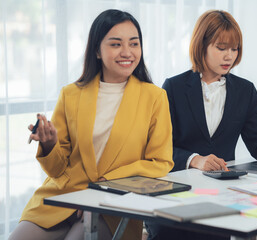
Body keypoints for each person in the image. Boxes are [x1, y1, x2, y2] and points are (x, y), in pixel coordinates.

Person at [9, 9, 174, 240]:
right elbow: (58, 169)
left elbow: (160, 162)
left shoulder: (155, 97)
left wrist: (106, 184)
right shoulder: (70, 94)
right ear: (97, 50)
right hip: (63, 197)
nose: (127, 52)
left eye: (134, 44)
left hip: (111, 203)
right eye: (116, 44)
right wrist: (48, 145)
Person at [145, 10, 257, 240]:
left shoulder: (245, 91)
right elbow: (156, 149)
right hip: (175, 193)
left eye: (234, 49)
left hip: (220, 197)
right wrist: (195, 160)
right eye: (221, 48)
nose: (229, 56)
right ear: (202, 46)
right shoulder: (173, 87)